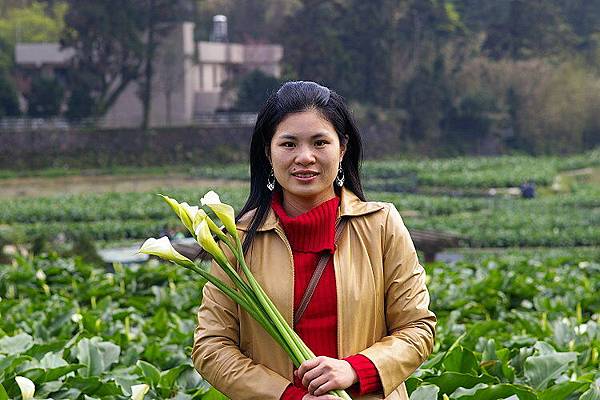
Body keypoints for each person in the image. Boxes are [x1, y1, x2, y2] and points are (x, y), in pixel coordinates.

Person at [191, 81, 436, 400]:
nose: (305, 157)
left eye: (320, 142)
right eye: (289, 144)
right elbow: (211, 347)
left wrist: (355, 369)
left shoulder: (381, 226)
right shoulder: (236, 240)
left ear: (342, 148)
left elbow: (418, 329)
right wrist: (290, 396)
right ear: (268, 151)